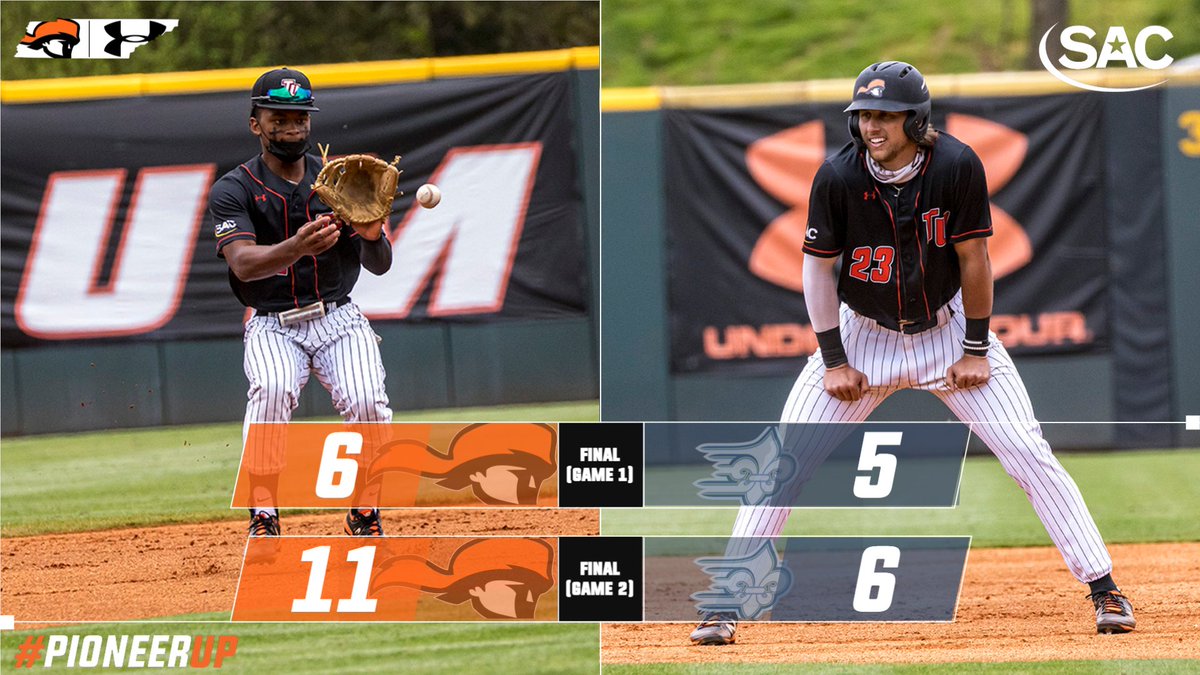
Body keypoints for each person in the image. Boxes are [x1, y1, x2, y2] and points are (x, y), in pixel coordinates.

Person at [689, 61, 1135, 645]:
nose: (871, 125)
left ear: (914, 119)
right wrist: (832, 358)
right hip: (862, 334)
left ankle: (1104, 589)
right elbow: (817, 272)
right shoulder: (838, 177)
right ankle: (726, 602)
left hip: (947, 332)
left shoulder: (956, 165)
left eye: (885, 115)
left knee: (1027, 452)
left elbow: (976, 260)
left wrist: (976, 347)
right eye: (864, 115)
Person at [207, 67, 393, 541]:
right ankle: (264, 513)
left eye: (299, 117)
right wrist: (298, 247)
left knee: (368, 402)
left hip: (338, 316)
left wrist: (372, 234)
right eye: (279, 117)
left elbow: (380, 264)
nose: (291, 127)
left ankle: (365, 512)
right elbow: (244, 265)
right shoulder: (235, 189)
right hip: (273, 323)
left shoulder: (339, 179)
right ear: (256, 123)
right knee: (270, 390)